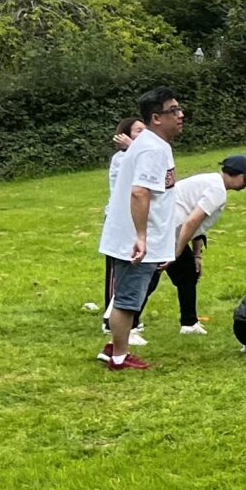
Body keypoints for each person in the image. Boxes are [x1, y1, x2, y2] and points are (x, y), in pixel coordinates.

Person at [97, 87, 186, 371]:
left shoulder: (155, 145)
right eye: (174, 110)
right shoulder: (150, 148)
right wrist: (141, 237)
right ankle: (119, 357)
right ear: (156, 117)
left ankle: (113, 347)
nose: (180, 115)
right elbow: (139, 193)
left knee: (129, 294)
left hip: (143, 235)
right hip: (134, 238)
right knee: (128, 298)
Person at [160, 153, 246, 334]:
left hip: (170, 230)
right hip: (166, 231)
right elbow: (191, 222)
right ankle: (127, 324)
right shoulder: (217, 190)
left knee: (188, 273)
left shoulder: (212, 182)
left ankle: (189, 323)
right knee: (148, 277)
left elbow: (196, 226)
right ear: (236, 174)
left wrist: (196, 255)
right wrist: (177, 252)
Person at [100, 116, 144, 339]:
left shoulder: (136, 154)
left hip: (135, 218)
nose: (142, 135)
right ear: (124, 136)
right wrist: (133, 148)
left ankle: (129, 317)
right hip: (118, 219)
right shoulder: (121, 158)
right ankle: (110, 321)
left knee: (133, 268)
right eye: (137, 131)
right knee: (116, 272)